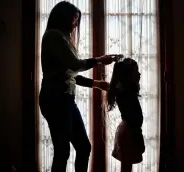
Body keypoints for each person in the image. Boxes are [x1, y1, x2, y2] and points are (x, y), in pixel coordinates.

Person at [39, 1, 121, 172]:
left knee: (83, 147)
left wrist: (97, 84)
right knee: (63, 151)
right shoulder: (54, 37)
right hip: (55, 100)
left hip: (65, 100)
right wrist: (100, 60)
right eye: (74, 19)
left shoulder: (62, 38)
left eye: (77, 20)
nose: (75, 24)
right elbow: (75, 65)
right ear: (63, 17)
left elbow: (69, 74)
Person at [106, 58, 145, 172]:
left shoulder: (125, 91)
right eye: (136, 71)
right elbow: (134, 120)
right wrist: (139, 137)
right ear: (129, 76)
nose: (139, 74)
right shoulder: (125, 92)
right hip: (129, 133)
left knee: (126, 168)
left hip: (128, 131)